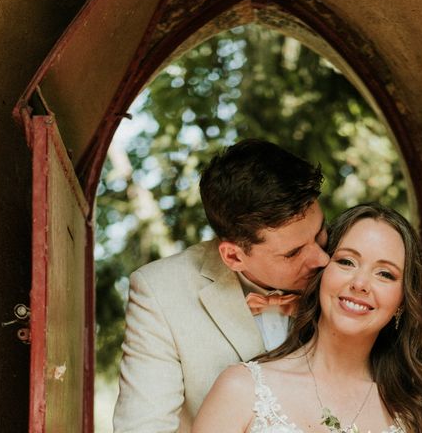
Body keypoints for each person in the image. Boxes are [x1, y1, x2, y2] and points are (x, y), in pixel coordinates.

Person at [113, 139, 330, 432]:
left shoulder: (350, 266)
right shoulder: (160, 292)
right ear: (233, 256)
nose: (322, 259)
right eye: (293, 253)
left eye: (320, 234)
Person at [193, 203, 422, 433]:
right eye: (347, 262)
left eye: (385, 274)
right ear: (321, 271)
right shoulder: (241, 390)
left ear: (402, 301)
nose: (360, 283)